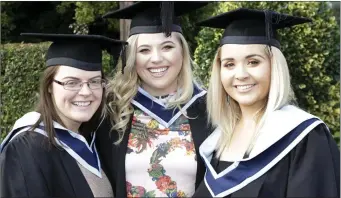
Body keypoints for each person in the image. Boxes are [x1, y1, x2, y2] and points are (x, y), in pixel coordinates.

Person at [192, 8, 340, 198]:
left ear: (274, 66)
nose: (241, 74)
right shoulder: (217, 138)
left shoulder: (304, 137)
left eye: (253, 62)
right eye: (229, 64)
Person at [95, 1, 214, 197]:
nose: (156, 58)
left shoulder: (209, 109)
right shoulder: (112, 110)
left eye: (167, 47)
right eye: (144, 50)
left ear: (182, 52)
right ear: (132, 56)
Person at [0, 33, 127, 197]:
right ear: (49, 86)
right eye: (72, 83)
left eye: (94, 81)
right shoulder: (26, 149)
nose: (86, 92)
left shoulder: (96, 139)